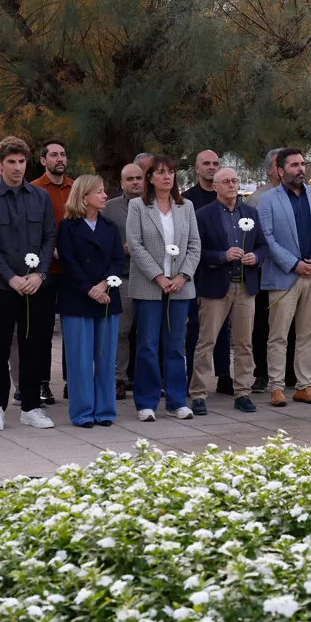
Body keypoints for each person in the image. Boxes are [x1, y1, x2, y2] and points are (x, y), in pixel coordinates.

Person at [0, 136, 57, 431]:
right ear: (0, 164)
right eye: (11, 162)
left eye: (21, 161)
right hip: (0, 286)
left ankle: (32, 407)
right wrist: (11, 277)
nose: (17, 167)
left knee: (34, 347)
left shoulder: (40, 197)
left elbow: (49, 237)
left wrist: (39, 274)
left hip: (35, 287)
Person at [258, 148, 311, 407]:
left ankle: (304, 385)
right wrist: (294, 265)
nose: (301, 169)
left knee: (307, 334)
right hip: (284, 277)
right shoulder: (268, 200)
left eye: (302, 164)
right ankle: (277, 386)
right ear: (280, 171)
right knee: (278, 335)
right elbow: (266, 238)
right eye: (294, 165)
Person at [126, 154, 201, 422]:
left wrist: (182, 276)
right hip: (149, 287)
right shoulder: (138, 206)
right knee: (146, 344)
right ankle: (146, 402)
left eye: (170, 172)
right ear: (150, 178)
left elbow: (194, 246)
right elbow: (135, 245)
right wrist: (158, 276)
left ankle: (176, 401)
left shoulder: (186, 206)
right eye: (160, 172)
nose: (166, 176)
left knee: (175, 346)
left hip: (180, 288)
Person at [190, 166, 266, 415]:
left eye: (235, 180)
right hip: (215, 286)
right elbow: (197, 252)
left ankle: (242, 392)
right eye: (226, 181)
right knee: (207, 341)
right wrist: (223, 255)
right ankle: (199, 393)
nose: (232, 185)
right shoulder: (203, 215)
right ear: (216, 187)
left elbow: (263, 246)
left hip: (245, 286)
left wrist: (256, 256)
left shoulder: (251, 212)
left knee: (244, 343)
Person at [57, 175, 124, 428]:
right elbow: (68, 263)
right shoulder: (67, 227)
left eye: (104, 190)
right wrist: (90, 289)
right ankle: (83, 412)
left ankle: (105, 410)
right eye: (99, 191)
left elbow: (118, 259)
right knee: (80, 361)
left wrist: (104, 284)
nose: (105, 195)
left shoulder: (110, 226)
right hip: (77, 300)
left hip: (107, 297)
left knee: (106, 359)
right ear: (84, 197)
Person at [182, 149, 232, 396]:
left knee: (224, 328)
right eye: (207, 164)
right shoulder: (186, 199)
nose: (211, 167)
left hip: (223, 273)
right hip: (195, 273)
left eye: (216, 163)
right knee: (196, 329)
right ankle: (193, 375)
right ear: (197, 168)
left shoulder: (229, 199)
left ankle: (224, 375)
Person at [248, 148, 296, 393]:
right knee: (263, 325)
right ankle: (262, 373)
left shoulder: (298, 195)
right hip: (265, 271)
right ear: (270, 170)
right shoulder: (257, 199)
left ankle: (291, 373)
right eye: (281, 164)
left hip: (295, 271)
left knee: (293, 324)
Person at [30, 138, 72, 406]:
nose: (60, 159)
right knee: (42, 329)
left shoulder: (76, 188)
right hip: (45, 269)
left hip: (72, 270)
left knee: (72, 327)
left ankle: (72, 381)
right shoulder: (33, 190)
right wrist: (49, 252)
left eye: (63, 154)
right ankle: (42, 383)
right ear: (44, 161)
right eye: (54, 155)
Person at [102, 163, 143, 399]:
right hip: (123, 278)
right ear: (121, 183)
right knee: (121, 332)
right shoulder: (109, 209)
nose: (135, 182)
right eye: (130, 179)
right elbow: (100, 241)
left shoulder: (156, 205)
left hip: (152, 279)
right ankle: (118, 379)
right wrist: (120, 249)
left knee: (148, 333)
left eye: (139, 178)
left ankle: (146, 379)